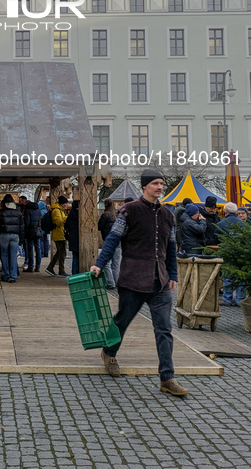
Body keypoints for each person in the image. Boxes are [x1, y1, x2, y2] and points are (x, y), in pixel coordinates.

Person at [90, 168, 188, 397]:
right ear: (144, 186)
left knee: (164, 329)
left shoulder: (167, 215)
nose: (160, 187)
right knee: (121, 322)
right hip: (133, 278)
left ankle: (167, 377)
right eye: (155, 183)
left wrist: (172, 274)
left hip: (160, 281)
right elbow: (113, 239)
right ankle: (109, 352)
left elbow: (170, 248)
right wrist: (99, 263)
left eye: (161, 183)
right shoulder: (129, 211)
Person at [217, 202, 246, 306]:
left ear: (225, 211)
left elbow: (216, 237)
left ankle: (227, 298)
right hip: (241, 253)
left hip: (227, 253)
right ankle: (240, 299)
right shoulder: (243, 224)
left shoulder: (221, 224)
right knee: (241, 277)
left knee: (228, 276)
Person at [0, 194, 24, 283]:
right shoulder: (18, 212)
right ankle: (13, 275)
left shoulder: (1, 212)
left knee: (4, 255)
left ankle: (5, 275)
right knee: (13, 256)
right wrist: (21, 239)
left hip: (4, 235)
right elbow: (22, 227)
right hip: (15, 235)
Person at [98, 199, 120, 289]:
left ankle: (111, 283)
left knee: (106, 263)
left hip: (108, 241)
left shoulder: (105, 215)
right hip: (118, 241)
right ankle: (117, 282)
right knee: (116, 264)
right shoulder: (117, 215)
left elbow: (99, 227)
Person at [45, 196, 68, 277]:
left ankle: (51, 267)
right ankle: (61, 270)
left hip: (60, 233)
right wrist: (66, 218)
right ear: (62, 204)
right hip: (58, 234)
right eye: (65, 203)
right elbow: (58, 222)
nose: (66, 205)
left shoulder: (60, 210)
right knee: (62, 252)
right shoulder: (56, 211)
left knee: (60, 252)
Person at [22, 197, 42, 272]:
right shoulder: (38, 210)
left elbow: (27, 222)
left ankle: (30, 266)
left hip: (30, 230)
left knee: (30, 249)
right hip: (37, 230)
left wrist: (25, 230)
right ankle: (38, 266)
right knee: (38, 248)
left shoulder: (27, 210)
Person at [65, 199, 80, 274]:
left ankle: (74, 273)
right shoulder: (80, 214)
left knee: (75, 257)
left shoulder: (70, 214)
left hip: (72, 237)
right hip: (80, 237)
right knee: (80, 257)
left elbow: (66, 225)